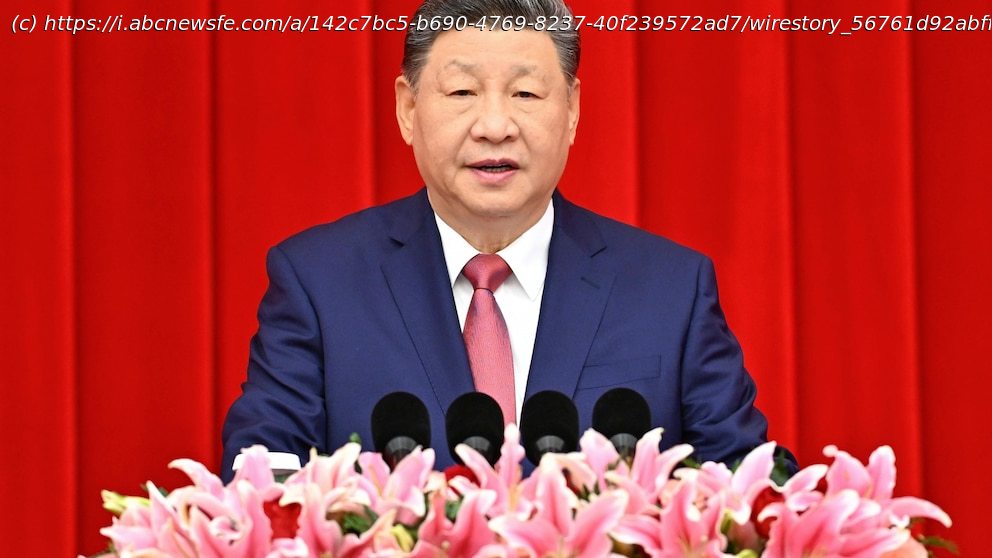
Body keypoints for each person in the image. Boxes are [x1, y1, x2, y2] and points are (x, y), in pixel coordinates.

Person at [221, 0, 781, 480]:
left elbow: (751, 493)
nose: (495, 126)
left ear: (572, 111)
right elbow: (262, 482)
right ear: (408, 109)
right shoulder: (319, 283)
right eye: (462, 90)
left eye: (526, 94)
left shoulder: (670, 290)